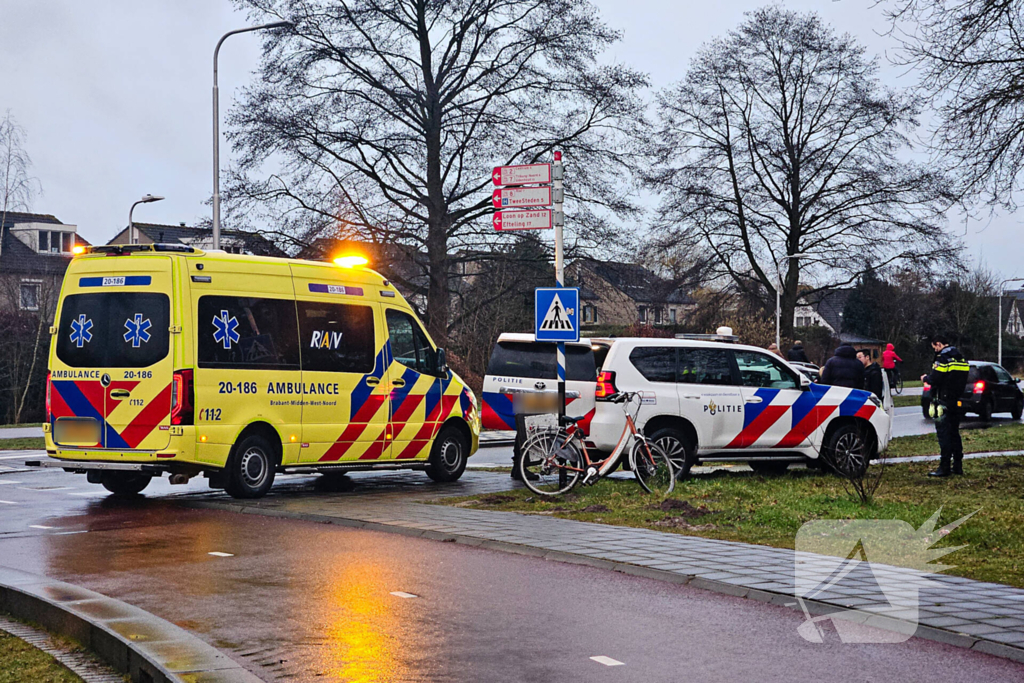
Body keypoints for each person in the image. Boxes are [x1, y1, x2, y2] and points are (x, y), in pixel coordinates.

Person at [922, 335, 970, 477]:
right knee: (954, 433)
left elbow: (935, 378)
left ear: (938, 344)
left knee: (944, 434)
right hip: (956, 400)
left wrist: (925, 378)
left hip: (942, 400)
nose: (935, 350)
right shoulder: (961, 358)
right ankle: (958, 465)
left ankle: (944, 467)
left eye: (934, 347)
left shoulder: (942, 358)